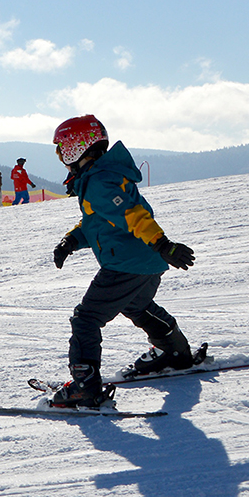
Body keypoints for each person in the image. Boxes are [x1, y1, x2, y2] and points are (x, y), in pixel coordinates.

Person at [48, 114, 199, 408]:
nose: (62, 158)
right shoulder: (103, 177)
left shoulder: (99, 183)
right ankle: (175, 352)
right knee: (136, 305)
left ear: (78, 148)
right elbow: (101, 222)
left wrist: (163, 244)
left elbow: (133, 217)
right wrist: (71, 241)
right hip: (147, 262)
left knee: (86, 319)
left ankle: (85, 387)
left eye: (62, 150)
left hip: (126, 264)